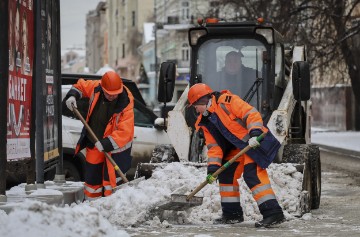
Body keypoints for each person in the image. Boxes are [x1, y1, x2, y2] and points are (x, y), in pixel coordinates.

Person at [187, 83, 284, 228]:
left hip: (255, 143)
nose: (195, 109)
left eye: (195, 105)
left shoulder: (227, 101)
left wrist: (255, 133)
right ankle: (232, 214)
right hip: (238, 149)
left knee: (253, 175)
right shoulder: (204, 122)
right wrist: (213, 169)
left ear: (201, 100)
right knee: (226, 175)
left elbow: (251, 114)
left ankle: (273, 213)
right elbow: (214, 147)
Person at [64, 71, 135, 200]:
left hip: (115, 150)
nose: (112, 97)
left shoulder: (126, 102)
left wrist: (107, 143)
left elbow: (126, 131)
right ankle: (92, 209)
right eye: (109, 94)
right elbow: (80, 85)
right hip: (94, 143)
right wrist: (72, 96)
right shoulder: (96, 87)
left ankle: (111, 208)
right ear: (103, 88)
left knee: (111, 184)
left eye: (115, 94)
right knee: (92, 183)